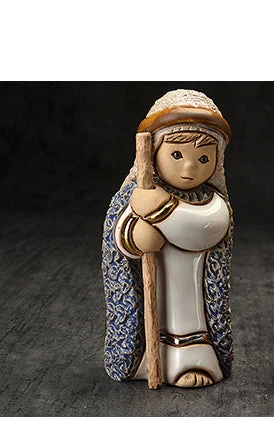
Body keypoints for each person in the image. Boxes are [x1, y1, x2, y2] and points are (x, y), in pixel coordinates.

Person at [102, 89, 233, 388]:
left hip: (190, 285)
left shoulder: (212, 202)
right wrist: (134, 239)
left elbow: (208, 227)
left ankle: (192, 360)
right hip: (153, 288)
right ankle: (146, 361)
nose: (189, 168)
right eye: (177, 154)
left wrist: (161, 210)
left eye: (203, 158)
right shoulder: (135, 194)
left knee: (187, 317)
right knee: (155, 315)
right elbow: (117, 234)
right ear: (153, 151)